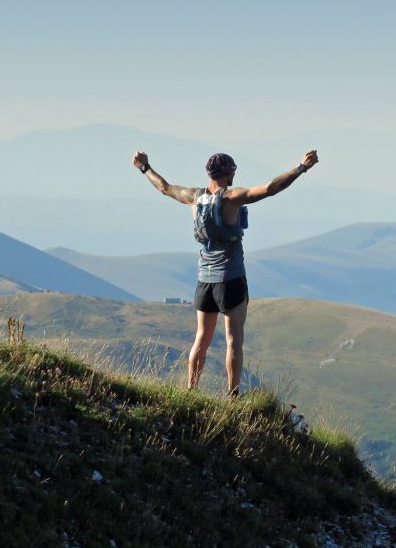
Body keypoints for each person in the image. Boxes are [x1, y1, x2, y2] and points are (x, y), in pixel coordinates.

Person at [132, 148, 319, 396]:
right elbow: (269, 189)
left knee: (201, 338)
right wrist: (301, 168)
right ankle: (232, 396)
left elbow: (164, 187)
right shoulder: (232, 198)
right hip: (230, 279)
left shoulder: (193, 197)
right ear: (229, 172)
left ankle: (191, 390)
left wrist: (145, 167)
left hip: (204, 280)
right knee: (234, 340)